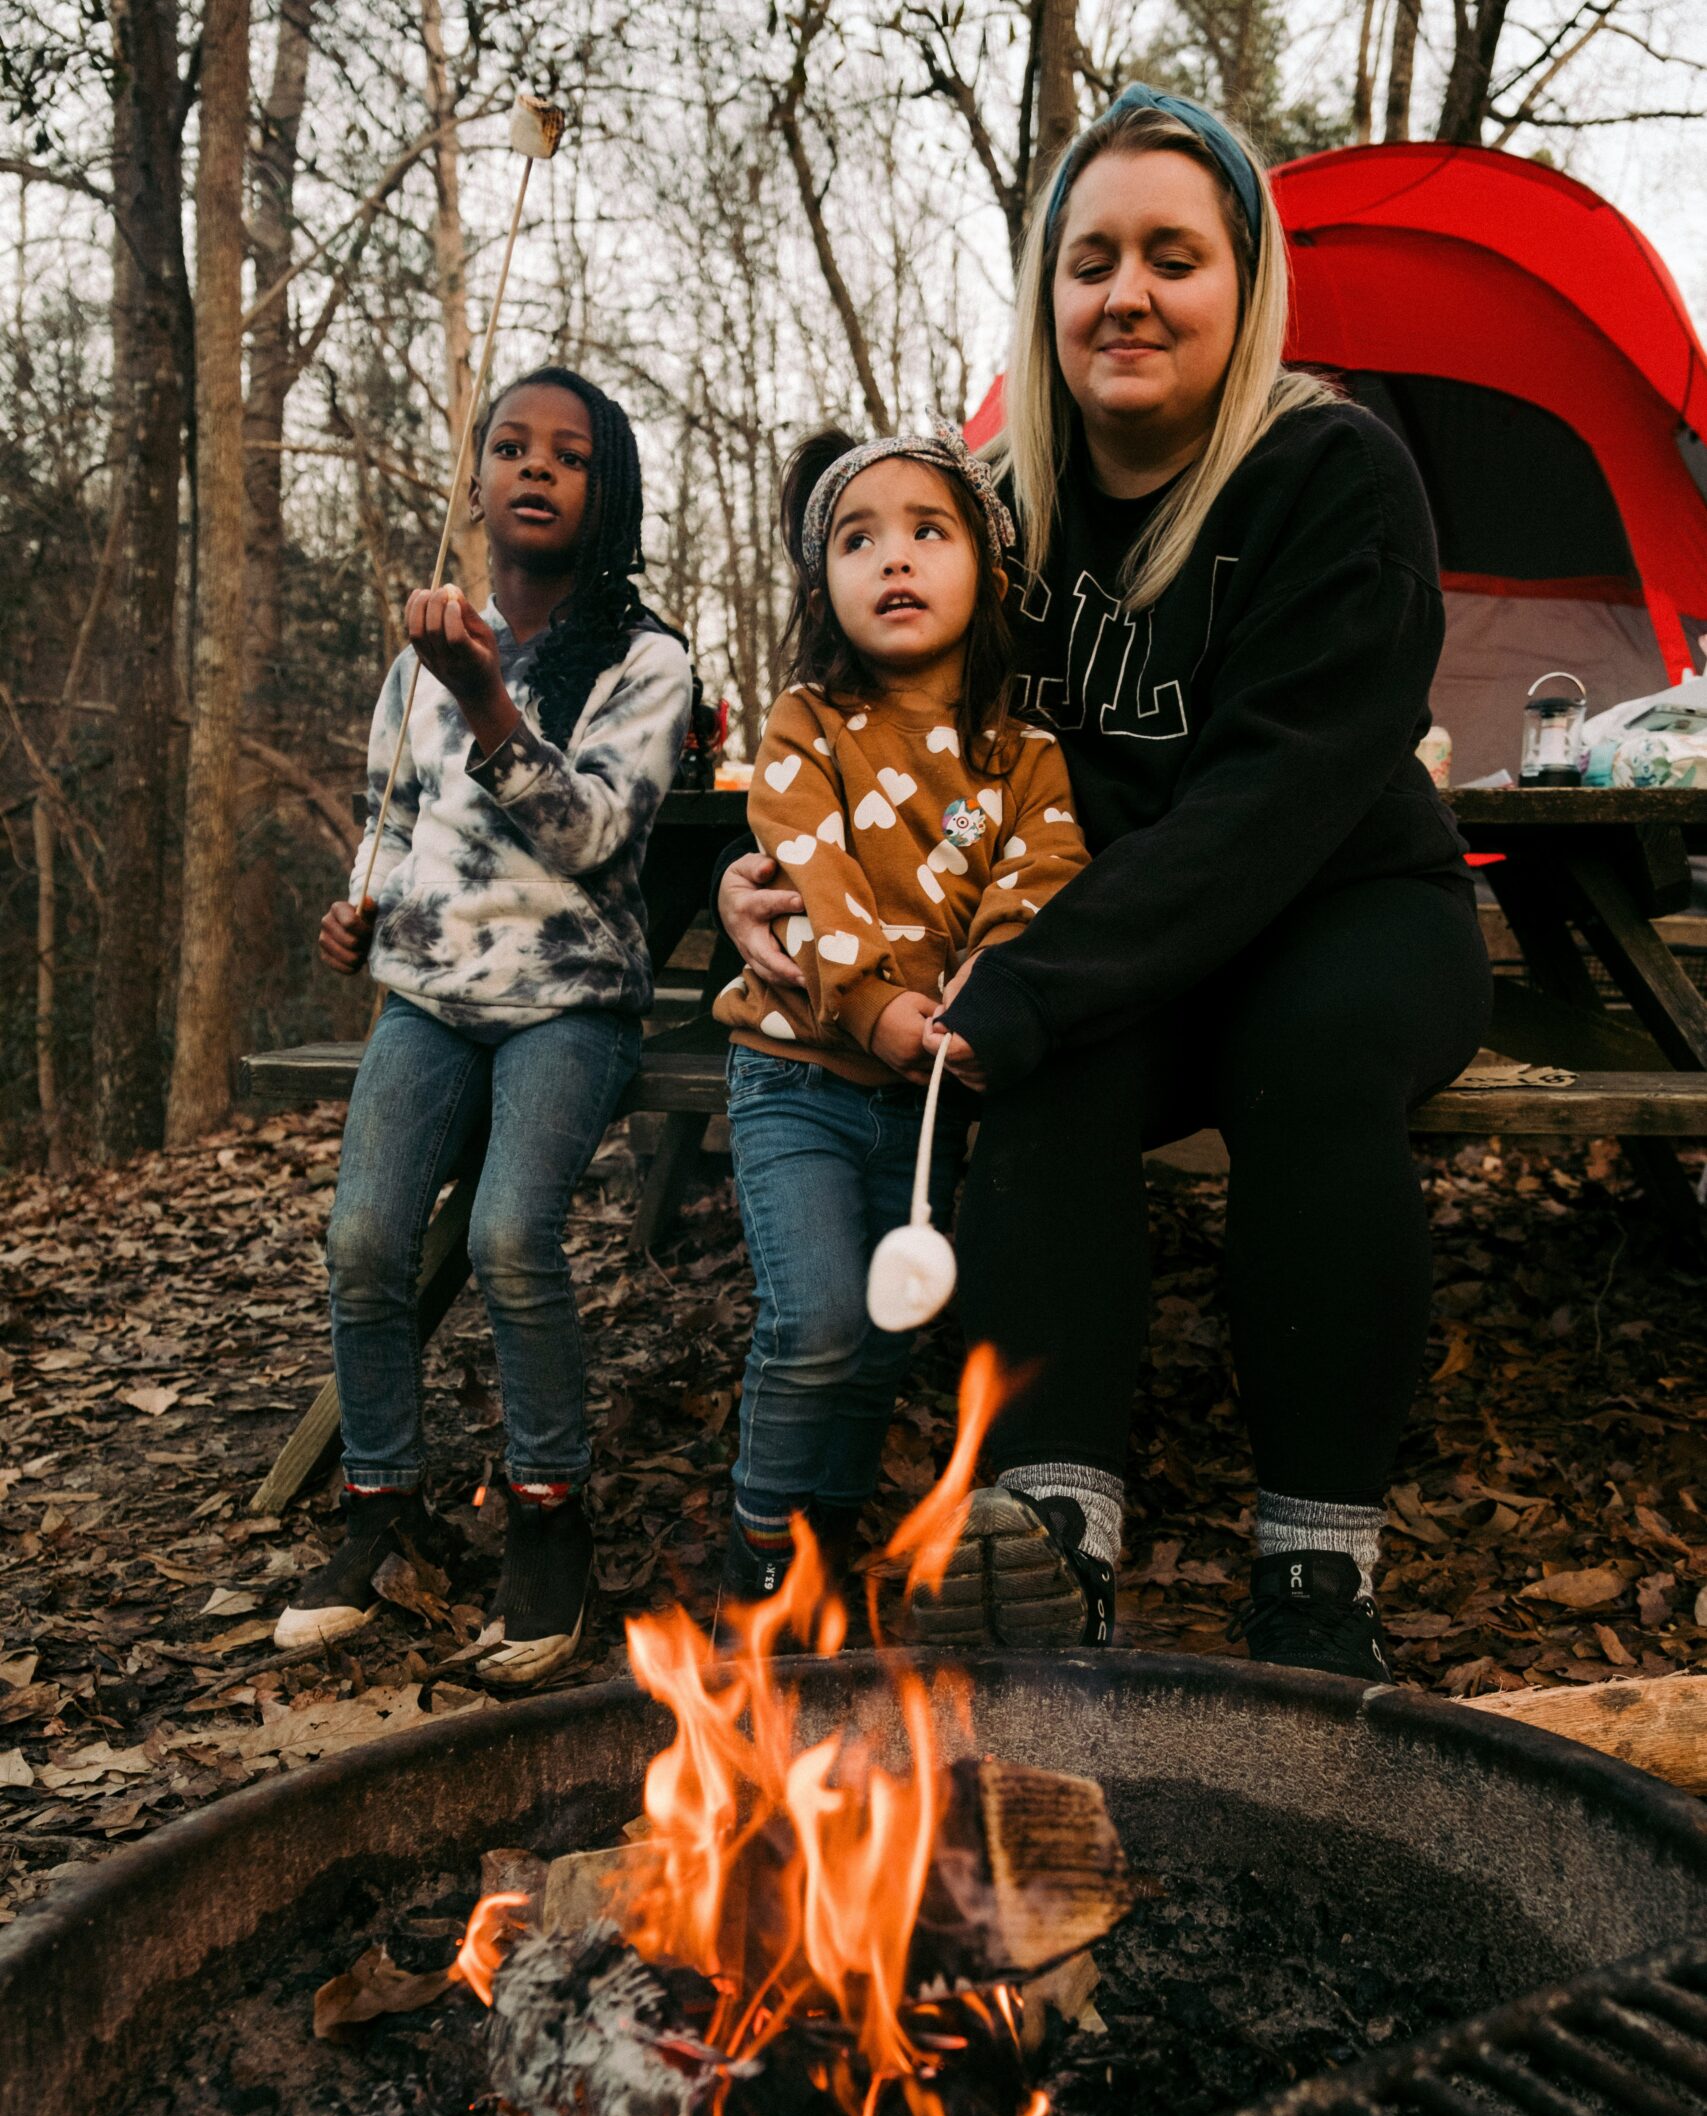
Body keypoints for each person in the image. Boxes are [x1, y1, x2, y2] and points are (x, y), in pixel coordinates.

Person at [718, 89, 1491, 1675]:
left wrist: (1029, 989)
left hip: (1346, 907)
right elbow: (872, 725)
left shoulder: (1334, 477)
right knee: (1043, 1081)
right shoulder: (997, 509)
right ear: (1043, 294)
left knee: (1305, 1052)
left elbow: (1273, 800)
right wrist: (766, 870)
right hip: (1102, 933)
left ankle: (1313, 1573)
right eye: (1088, 260)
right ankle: (1052, 1537)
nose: (1124, 292)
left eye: (1170, 255)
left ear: (1243, 284)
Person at [274, 366, 692, 1683]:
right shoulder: (423, 656)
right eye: (510, 447)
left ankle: (547, 1521)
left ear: (603, 492)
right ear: (477, 479)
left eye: (566, 456)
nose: (533, 469)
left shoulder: (645, 660)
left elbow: (589, 837)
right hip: (429, 998)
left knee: (512, 1234)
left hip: (568, 1002)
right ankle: (379, 1510)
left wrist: (491, 704)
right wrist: (359, 909)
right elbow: (390, 815)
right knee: (362, 1241)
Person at [715, 425, 1091, 1606]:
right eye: (857, 538)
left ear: (985, 566)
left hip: (923, 1102)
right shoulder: (804, 725)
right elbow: (808, 869)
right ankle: (761, 1554)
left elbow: (1042, 876)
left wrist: (993, 984)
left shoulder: (1023, 754)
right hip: (798, 1078)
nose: (894, 560)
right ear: (822, 581)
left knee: (882, 1331)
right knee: (818, 1315)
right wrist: (875, 1003)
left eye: (928, 532)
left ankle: (826, 1543)